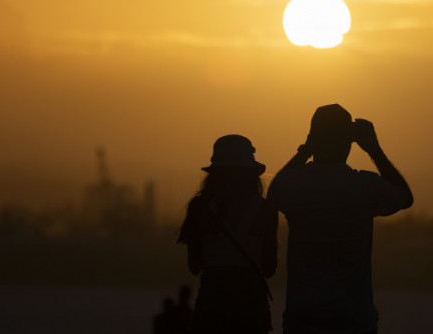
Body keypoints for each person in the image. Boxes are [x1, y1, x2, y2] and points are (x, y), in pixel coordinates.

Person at [267, 104, 414, 334]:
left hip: (302, 318)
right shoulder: (364, 186)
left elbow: (274, 191)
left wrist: (306, 149)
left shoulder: (294, 186)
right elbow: (405, 197)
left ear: (314, 138)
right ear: (349, 142)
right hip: (353, 320)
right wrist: (374, 150)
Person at [177, 135, 278, 334]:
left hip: (211, 305)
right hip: (252, 306)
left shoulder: (200, 207)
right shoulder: (265, 209)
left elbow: (194, 265)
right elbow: (269, 268)